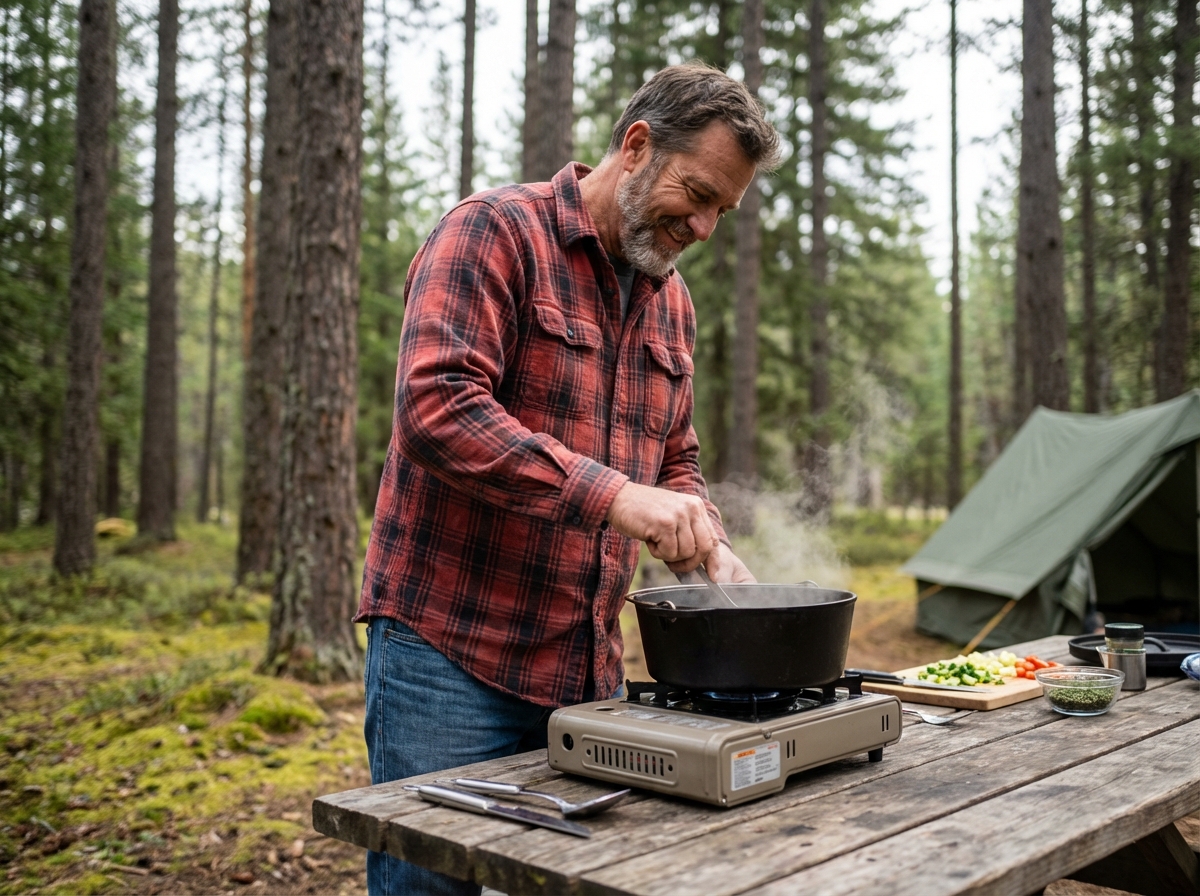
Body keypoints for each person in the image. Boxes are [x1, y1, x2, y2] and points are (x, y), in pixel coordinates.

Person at [356, 62, 782, 895]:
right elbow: (438, 408)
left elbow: (675, 457)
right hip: (449, 657)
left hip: (588, 671)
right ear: (636, 146)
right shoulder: (491, 233)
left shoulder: (672, 300)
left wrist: (707, 545)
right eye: (696, 194)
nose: (702, 226)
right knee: (430, 887)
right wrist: (616, 496)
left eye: (721, 212)